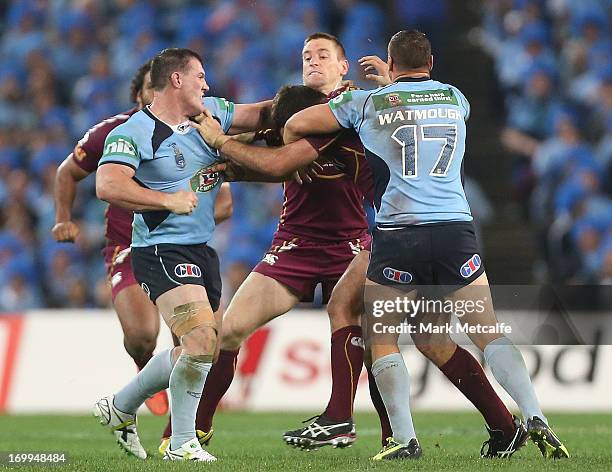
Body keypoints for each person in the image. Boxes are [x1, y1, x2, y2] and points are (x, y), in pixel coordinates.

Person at [191, 35, 529, 459]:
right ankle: (191, 432)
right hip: (301, 244)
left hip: (371, 240)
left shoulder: (355, 111)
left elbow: (279, 162)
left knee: (387, 334)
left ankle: (368, 427)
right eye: (306, 56)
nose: (312, 61)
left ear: (344, 67)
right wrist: (229, 165)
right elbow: (274, 159)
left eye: (322, 55)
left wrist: (224, 148)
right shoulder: (294, 105)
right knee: (236, 329)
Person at [280, 30, 569, 460]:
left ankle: (404, 439)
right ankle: (533, 412)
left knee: (381, 335)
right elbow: (415, 105)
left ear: (391, 65)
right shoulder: (456, 98)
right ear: (431, 62)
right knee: (483, 331)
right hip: (456, 231)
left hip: (400, 234)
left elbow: (296, 123)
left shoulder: (365, 103)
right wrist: (395, 86)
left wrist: (375, 96)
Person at [92, 47, 271, 462]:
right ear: (177, 80)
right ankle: (182, 443)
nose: (206, 84)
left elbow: (264, 115)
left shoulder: (210, 113)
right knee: (202, 338)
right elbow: (107, 185)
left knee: (198, 347)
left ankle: (120, 404)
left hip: (201, 249)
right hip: (159, 249)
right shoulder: (135, 131)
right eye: (200, 76)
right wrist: (165, 200)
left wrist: (322, 98)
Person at [52, 61, 233, 418]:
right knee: (141, 335)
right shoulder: (115, 132)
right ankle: (143, 371)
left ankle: (182, 418)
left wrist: (191, 212)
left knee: (196, 338)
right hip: (128, 248)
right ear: (140, 95)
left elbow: (224, 203)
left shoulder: (196, 131)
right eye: (152, 90)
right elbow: (67, 172)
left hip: (181, 244)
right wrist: (63, 220)